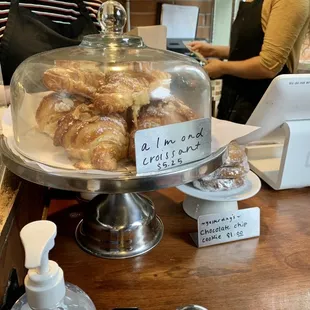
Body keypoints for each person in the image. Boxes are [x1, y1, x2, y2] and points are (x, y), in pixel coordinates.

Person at [189, 0, 310, 124]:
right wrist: (214, 51)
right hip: (234, 100)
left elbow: (268, 66)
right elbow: (250, 49)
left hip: (260, 107)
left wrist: (222, 68)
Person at [0, 0, 102, 90]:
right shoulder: (3, 6)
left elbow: (108, 78)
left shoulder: (96, 9)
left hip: (87, 109)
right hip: (19, 110)